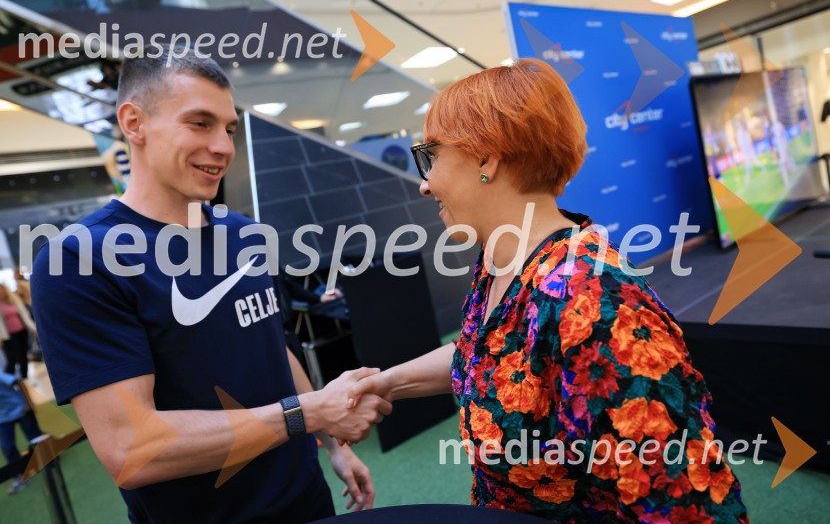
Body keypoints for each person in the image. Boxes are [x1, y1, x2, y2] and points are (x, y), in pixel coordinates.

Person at [348, 59, 749, 523]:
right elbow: (490, 353)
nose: (424, 183)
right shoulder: (506, 266)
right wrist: (386, 383)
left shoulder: (594, 301)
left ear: (486, 156)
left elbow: (689, 506)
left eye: (431, 156)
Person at [31, 49, 390, 524]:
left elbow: (273, 344)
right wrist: (308, 414)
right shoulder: (78, 259)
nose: (222, 147)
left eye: (229, 129)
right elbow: (132, 448)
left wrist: (331, 443)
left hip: (308, 501)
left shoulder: (242, 233)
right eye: (199, 123)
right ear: (133, 123)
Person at [0, 349, 44, 494]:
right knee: (7, 446)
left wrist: (28, 404)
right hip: (3, 417)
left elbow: (19, 382)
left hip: (20, 408)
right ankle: (21, 475)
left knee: (35, 437)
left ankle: (46, 459)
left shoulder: (2, 375)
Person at [0, 283, 36, 379]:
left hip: (21, 332)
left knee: (23, 356)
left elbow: (25, 317)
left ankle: (24, 379)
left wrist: (34, 329)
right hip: (7, 336)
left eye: (2, 289)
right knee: (11, 359)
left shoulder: (14, 301)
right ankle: (7, 383)